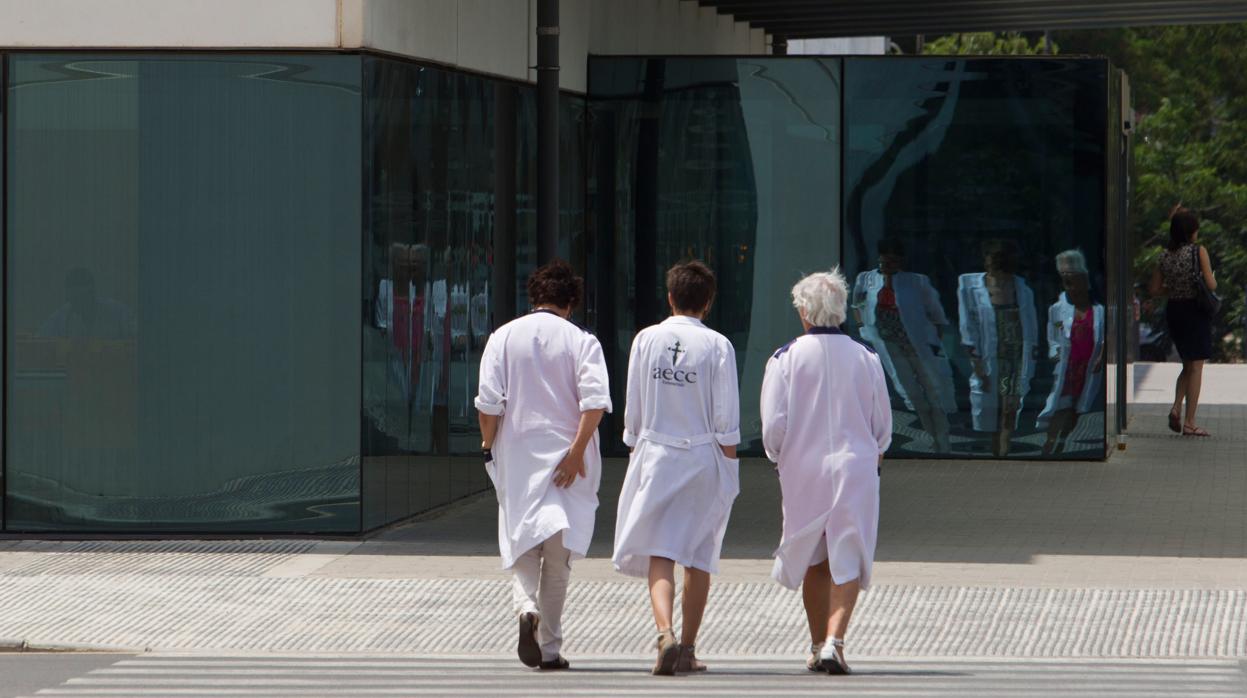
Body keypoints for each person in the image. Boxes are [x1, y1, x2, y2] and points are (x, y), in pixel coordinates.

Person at [474, 259, 612, 670]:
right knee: (558, 558)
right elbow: (594, 402)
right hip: (569, 462)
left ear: (533, 296)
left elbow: (487, 403)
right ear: (572, 300)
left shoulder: (502, 337)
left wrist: (489, 444)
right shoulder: (582, 341)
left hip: (517, 457)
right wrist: (575, 452)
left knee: (521, 547)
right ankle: (550, 647)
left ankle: (525, 610)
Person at [760, 269, 892, 676]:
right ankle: (834, 642)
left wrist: (780, 457)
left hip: (804, 468)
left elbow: (773, 426)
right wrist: (875, 454)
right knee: (848, 554)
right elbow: (881, 424)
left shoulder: (785, 358)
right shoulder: (866, 357)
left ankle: (819, 642)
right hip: (855, 465)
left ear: (803, 311)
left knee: (815, 557)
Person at [613, 260, 741, 676]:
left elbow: (633, 407)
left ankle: (664, 630)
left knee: (661, 550)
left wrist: (635, 447)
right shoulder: (718, 346)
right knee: (699, 554)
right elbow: (726, 418)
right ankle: (687, 648)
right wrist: (730, 471)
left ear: (670, 297)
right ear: (708, 302)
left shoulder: (646, 340)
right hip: (702, 456)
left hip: (656, 453)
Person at [852, 239, 957, 454]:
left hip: (916, 342)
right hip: (888, 343)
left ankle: (943, 437)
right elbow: (857, 304)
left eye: (893, 260)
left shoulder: (916, 281)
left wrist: (935, 344)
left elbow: (935, 312)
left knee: (933, 389)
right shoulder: (866, 279)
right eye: (884, 260)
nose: (888, 265)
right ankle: (932, 436)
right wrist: (863, 328)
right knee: (911, 391)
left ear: (900, 261)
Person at [957, 241, 1038, 457]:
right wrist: (976, 362)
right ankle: (995, 448)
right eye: (990, 260)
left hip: (1015, 355)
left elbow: (1031, 324)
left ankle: (1004, 447)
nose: (993, 265)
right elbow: (967, 327)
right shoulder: (969, 286)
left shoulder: (1021, 288)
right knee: (990, 405)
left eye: (999, 261)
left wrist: (1032, 355)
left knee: (1010, 404)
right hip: (988, 355)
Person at [1149, 207, 1217, 437]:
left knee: (1187, 364)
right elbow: (1211, 285)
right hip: (1195, 311)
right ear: (1191, 231)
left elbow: (1155, 289)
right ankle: (1190, 422)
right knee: (1196, 366)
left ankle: (1176, 407)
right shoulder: (1199, 252)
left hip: (1175, 310)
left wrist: (1174, 287)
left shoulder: (1164, 256)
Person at [1037, 250, 1105, 455]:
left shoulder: (1099, 310)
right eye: (1067, 283)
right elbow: (1052, 337)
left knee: (1077, 407)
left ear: (1085, 281)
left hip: (1088, 366)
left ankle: (1063, 439)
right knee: (1060, 406)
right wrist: (1055, 353)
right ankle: (1049, 443)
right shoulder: (1057, 309)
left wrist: (1102, 356)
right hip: (1067, 366)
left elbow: (1105, 336)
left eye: (1076, 282)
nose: (1072, 288)